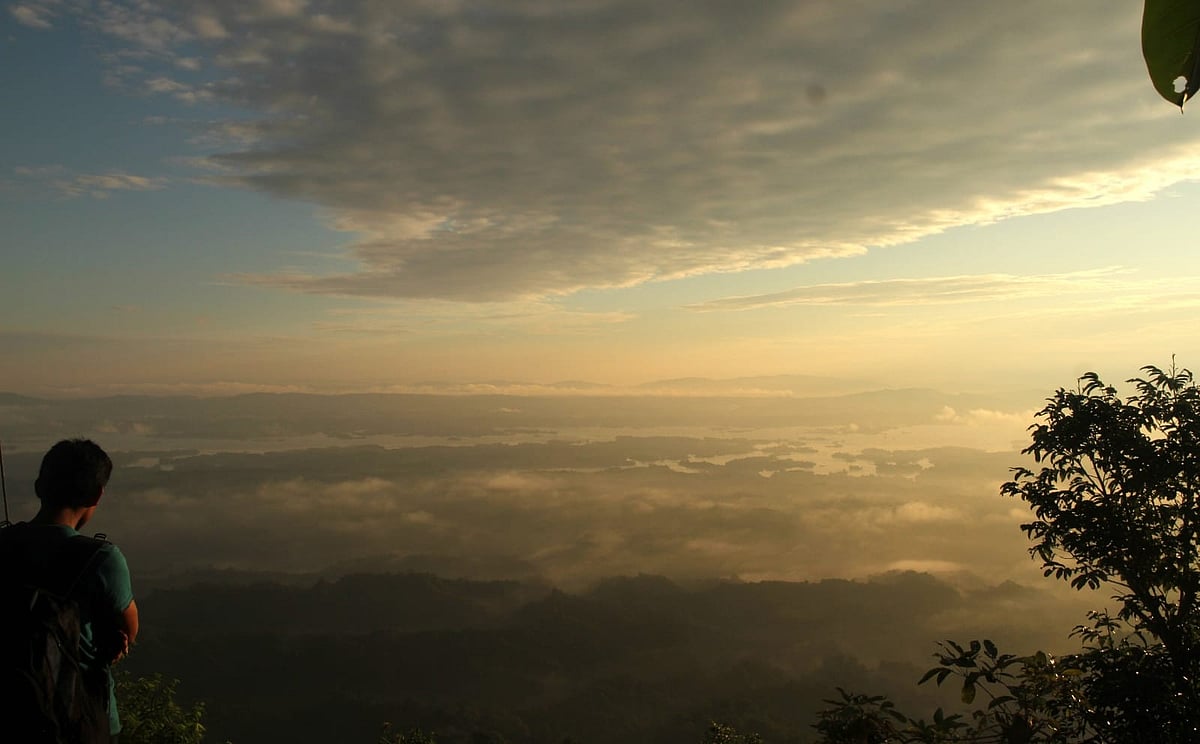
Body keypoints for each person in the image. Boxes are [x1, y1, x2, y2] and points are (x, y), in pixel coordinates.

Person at [0, 439, 138, 742]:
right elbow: (130, 629)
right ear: (97, 494)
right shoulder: (102, 559)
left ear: (39, 486)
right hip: (81, 719)